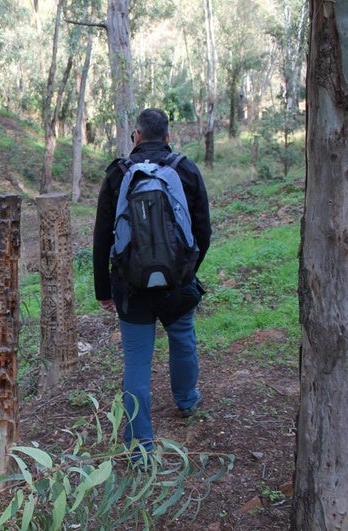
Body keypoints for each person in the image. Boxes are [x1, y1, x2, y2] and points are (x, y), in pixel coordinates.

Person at [92, 108, 212, 458]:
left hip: (131, 286)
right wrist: (187, 271)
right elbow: (203, 230)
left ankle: (138, 445)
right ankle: (187, 400)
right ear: (169, 136)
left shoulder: (118, 173)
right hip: (177, 283)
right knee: (183, 339)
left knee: (136, 361)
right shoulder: (186, 169)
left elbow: (102, 237)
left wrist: (104, 290)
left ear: (137, 136)